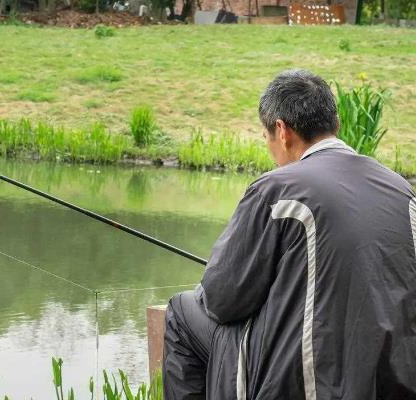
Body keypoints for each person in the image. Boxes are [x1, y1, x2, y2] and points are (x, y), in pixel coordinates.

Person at [163, 69, 416, 400]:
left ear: (281, 130)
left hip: (304, 380)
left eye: (266, 137)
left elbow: (222, 300)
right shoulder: (401, 190)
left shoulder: (278, 188)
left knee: (182, 311)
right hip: (393, 380)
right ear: (335, 125)